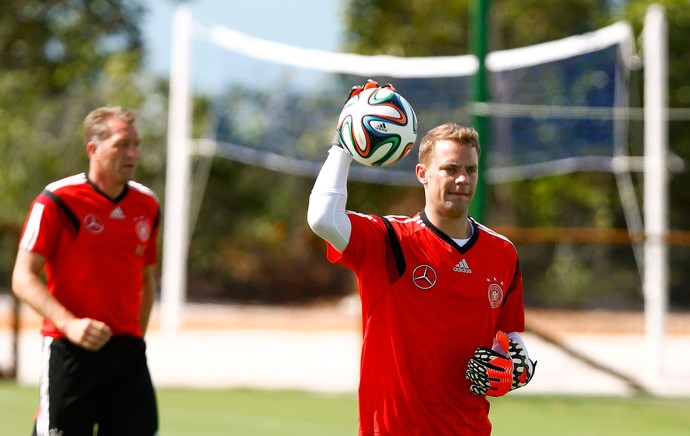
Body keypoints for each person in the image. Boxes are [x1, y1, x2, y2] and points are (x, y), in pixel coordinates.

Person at [308, 81, 536, 435]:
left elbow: (508, 336)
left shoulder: (502, 252)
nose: (462, 179)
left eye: (471, 170)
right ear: (422, 174)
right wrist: (343, 144)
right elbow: (323, 218)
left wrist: (514, 367)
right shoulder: (390, 241)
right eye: (450, 169)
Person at [12, 106, 160, 435]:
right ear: (93, 148)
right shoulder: (56, 200)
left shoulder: (147, 204)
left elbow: (146, 279)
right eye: (122, 144)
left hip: (127, 354)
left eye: (136, 144)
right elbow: (22, 277)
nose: (133, 153)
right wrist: (71, 324)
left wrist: (136, 336)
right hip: (70, 350)